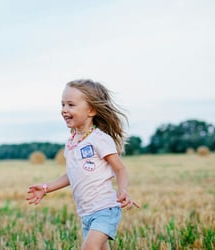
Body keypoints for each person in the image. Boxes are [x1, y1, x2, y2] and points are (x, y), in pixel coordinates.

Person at [26, 79, 139, 250]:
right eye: (63, 104)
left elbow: (120, 168)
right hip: (86, 213)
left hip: (105, 209)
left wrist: (122, 190)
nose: (64, 110)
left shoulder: (100, 139)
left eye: (71, 105)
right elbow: (71, 174)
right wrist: (46, 187)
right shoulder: (72, 143)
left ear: (91, 110)